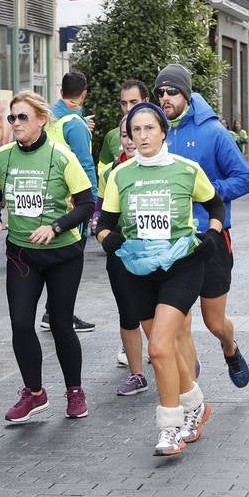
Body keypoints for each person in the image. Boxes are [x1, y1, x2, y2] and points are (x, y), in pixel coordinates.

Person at [97, 102, 226, 455]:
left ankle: (170, 427)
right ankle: (196, 404)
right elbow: (103, 225)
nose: (142, 136)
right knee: (163, 348)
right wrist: (110, 241)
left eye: (149, 128)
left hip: (181, 265)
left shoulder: (186, 169)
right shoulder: (120, 175)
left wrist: (212, 235)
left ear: (163, 132)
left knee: (157, 348)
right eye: (135, 130)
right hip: (138, 268)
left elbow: (216, 206)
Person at [0, 91, 96, 423]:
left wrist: (56, 226)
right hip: (22, 254)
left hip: (63, 254)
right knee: (20, 324)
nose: (16, 123)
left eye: (23, 117)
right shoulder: (2, 157)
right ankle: (34, 393)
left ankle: (74, 391)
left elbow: (87, 204)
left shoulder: (62, 156)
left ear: (41, 119)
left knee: (61, 324)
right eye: (12, 118)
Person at [156, 63, 249, 387]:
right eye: (160, 92)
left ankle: (231, 348)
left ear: (185, 93)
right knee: (179, 324)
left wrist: (208, 191)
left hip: (210, 237)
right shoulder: (156, 131)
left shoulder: (213, 132)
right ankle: (190, 393)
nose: (165, 97)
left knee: (214, 322)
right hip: (171, 240)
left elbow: (244, 178)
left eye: (172, 91)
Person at [100, 116, 149, 397]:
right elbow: (100, 213)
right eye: (125, 134)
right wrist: (104, 235)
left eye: (136, 133)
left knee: (156, 314)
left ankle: (178, 364)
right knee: (128, 312)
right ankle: (137, 374)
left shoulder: (164, 169)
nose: (130, 139)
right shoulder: (112, 173)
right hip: (120, 252)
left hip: (155, 252)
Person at [45, 71, 96, 333]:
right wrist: (93, 205)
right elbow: (86, 167)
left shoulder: (50, 118)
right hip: (72, 202)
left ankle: (50, 311)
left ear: (60, 90)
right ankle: (61, 314)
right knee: (71, 259)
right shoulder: (74, 124)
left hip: (50, 198)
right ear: (84, 93)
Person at [97, 79, 149, 178]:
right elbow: (102, 170)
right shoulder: (112, 136)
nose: (128, 108)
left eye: (133, 102)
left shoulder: (159, 132)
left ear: (145, 101)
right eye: (124, 103)